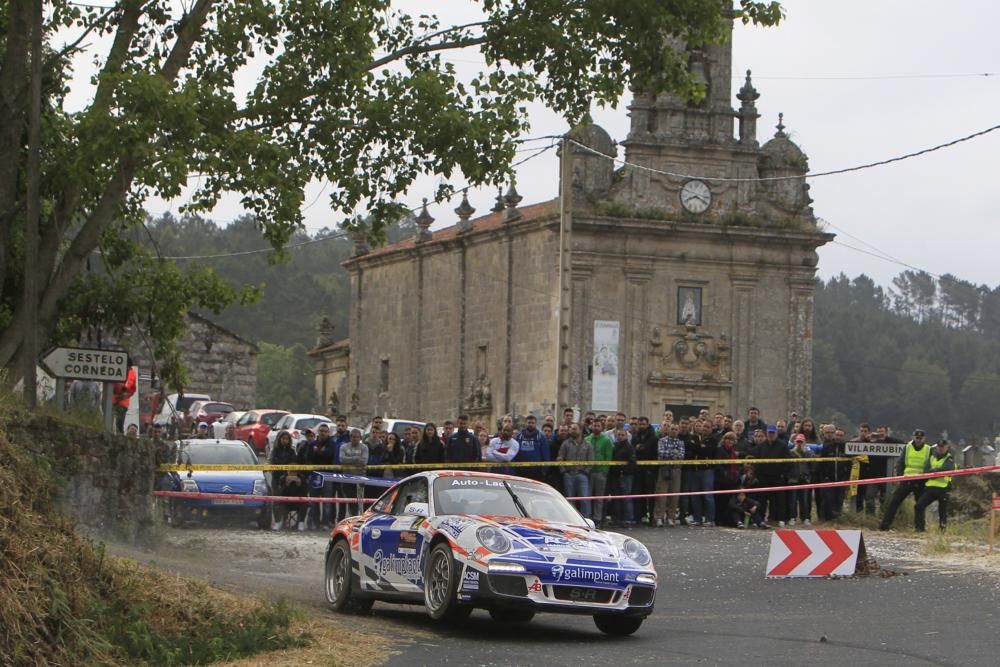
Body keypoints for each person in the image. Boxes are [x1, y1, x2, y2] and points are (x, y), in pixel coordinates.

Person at [880, 429, 932, 531]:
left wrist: (925, 478)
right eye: (917, 438)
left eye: (920, 438)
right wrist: (900, 476)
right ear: (913, 437)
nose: (918, 440)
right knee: (894, 502)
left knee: (919, 506)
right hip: (907, 480)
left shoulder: (928, 449)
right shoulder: (907, 447)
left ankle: (920, 528)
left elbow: (930, 464)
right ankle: (885, 525)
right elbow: (900, 463)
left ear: (924, 439)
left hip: (920, 481)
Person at [914, 439, 955, 532]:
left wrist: (933, 472)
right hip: (931, 488)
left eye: (943, 447)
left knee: (942, 511)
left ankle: (942, 531)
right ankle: (919, 529)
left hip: (943, 488)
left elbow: (947, 469)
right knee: (918, 506)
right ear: (936, 447)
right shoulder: (932, 457)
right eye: (939, 447)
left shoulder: (949, 458)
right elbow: (925, 470)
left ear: (947, 447)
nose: (940, 449)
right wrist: (935, 472)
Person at [753, 425, 789, 526]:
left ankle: (779, 518)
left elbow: (788, 461)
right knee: (762, 499)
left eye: (773, 433)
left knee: (779, 499)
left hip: (777, 477)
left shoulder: (782, 445)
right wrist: (757, 474)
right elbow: (756, 461)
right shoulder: (761, 446)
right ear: (766, 434)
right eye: (769, 433)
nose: (771, 435)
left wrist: (783, 473)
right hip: (763, 477)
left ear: (776, 434)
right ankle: (760, 519)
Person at [557, 423, 593, 518]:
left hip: (582, 475)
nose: (572, 431)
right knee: (570, 499)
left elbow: (591, 460)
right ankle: (572, 519)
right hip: (569, 475)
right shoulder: (566, 444)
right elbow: (560, 458)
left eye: (574, 429)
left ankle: (586, 518)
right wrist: (564, 472)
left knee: (584, 498)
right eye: (571, 429)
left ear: (580, 430)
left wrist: (586, 472)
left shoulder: (588, 444)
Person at [654, 422, 685, 526]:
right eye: (672, 429)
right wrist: (673, 452)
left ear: (678, 431)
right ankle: (659, 517)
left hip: (676, 470)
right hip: (664, 469)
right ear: (669, 430)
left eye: (676, 429)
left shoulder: (681, 442)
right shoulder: (662, 441)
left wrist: (670, 453)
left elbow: (681, 455)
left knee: (674, 495)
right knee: (662, 495)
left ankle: (671, 517)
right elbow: (661, 453)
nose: (674, 431)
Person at [268, 430, 300, 531]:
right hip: (276, 478)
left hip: (288, 478)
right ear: (279, 439)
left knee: (286, 499)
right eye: (283, 438)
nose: (285, 441)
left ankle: (284, 520)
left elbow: (294, 462)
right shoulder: (274, 450)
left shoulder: (291, 451)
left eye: (287, 439)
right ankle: (278, 521)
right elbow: (273, 461)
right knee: (276, 500)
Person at [631, 416, 660, 524]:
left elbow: (651, 452)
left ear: (647, 424)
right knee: (639, 494)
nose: (642, 426)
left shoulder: (653, 437)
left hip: (649, 470)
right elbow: (633, 451)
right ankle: (640, 516)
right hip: (638, 470)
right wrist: (638, 449)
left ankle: (652, 516)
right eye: (640, 424)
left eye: (644, 424)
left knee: (650, 495)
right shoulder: (635, 437)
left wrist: (640, 448)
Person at [585, 420, 613, 525]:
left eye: (598, 425)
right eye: (594, 425)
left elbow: (608, 457)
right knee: (588, 496)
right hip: (588, 472)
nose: (596, 427)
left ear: (601, 427)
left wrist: (604, 471)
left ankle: (597, 518)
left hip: (600, 472)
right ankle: (588, 517)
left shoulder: (606, 440)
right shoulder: (587, 439)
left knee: (599, 497)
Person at [610, 427, 637, 527]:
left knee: (627, 498)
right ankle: (618, 518)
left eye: (622, 435)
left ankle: (628, 519)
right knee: (617, 498)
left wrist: (624, 471)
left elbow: (632, 462)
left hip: (626, 476)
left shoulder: (629, 447)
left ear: (626, 436)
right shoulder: (614, 446)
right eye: (618, 435)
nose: (620, 437)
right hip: (615, 476)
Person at [787, 433, 815, 526]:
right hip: (793, 479)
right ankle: (792, 517)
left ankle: (805, 518)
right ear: (795, 442)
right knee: (793, 500)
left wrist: (805, 451)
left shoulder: (809, 452)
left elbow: (813, 464)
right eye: (798, 441)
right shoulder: (790, 452)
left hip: (805, 479)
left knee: (805, 500)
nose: (799, 444)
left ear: (804, 442)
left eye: (801, 442)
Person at [514, 414, 550, 481]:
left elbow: (546, 455)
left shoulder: (541, 438)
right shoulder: (519, 437)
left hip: (536, 472)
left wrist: (544, 471)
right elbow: (514, 452)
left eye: (532, 423)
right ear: (525, 423)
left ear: (535, 424)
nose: (530, 424)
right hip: (520, 471)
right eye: (529, 423)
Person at [112, 360, 137, 433]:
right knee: (108, 422)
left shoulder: (132, 373)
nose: (127, 369)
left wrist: (127, 395)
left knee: (119, 424)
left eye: (129, 368)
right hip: (112, 400)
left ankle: (119, 439)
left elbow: (133, 389)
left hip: (123, 403)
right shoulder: (116, 370)